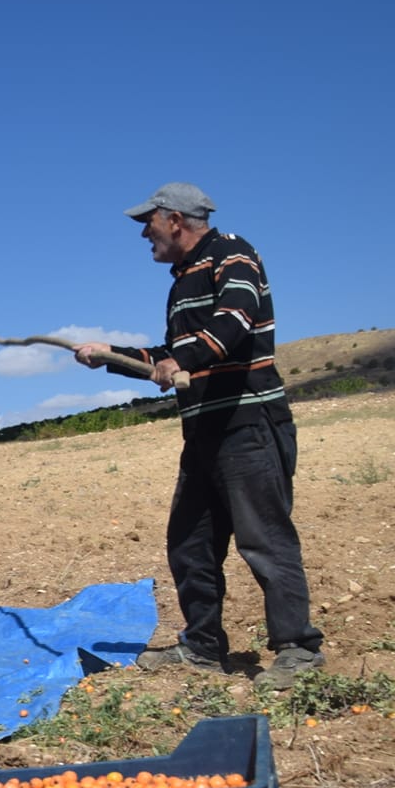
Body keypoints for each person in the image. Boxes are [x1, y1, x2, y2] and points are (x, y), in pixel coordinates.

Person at [74, 182, 324, 692]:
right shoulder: (183, 278)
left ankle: (298, 649)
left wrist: (181, 360)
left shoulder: (232, 254)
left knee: (265, 540)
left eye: (149, 221)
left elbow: (234, 321)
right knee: (189, 543)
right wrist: (111, 356)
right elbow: (173, 356)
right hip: (205, 430)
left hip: (247, 424)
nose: (144, 232)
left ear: (175, 219)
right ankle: (203, 648)